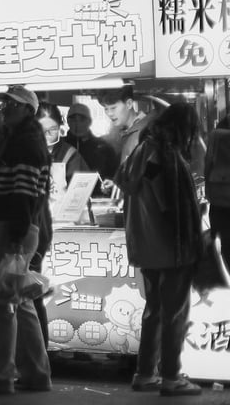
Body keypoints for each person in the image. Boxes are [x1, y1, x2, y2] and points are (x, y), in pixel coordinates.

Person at [116, 102, 203, 396]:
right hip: (170, 245)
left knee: (153, 310)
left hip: (146, 246)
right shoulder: (161, 155)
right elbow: (166, 199)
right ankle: (171, 376)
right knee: (174, 312)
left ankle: (145, 373)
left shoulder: (142, 150)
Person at [0, 85, 52, 394]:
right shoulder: (25, 140)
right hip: (20, 227)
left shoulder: (22, 143)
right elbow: (21, 190)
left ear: (27, 110)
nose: (5, 108)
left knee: (1, 305)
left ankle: (0, 375)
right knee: (22, 303)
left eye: (12, 105)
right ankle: (36, 373)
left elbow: (24, 194)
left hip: (11, 229)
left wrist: (17, 237)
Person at [97, 86, 156, 194]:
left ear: (129, 104)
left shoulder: (148, 131)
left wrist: (127, 185)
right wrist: (117, 184)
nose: (109, 114)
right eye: (106, 108)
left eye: (113, 108)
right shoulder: (128, 133)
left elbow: (153, 173)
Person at [63, 103, 118, 198]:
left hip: (97, 200)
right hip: (65, 200)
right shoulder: (59, 147)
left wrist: (110, 186)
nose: (77, 123)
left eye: (82, 119)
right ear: (67, 121)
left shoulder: (104, 148)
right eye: (73, 119)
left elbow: (115, 178)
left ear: (89, 121)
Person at [207, 116, 230, 274]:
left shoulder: (215, 137)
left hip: (220, 202)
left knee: (226, 247)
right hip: (220, 203)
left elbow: (207, 167)